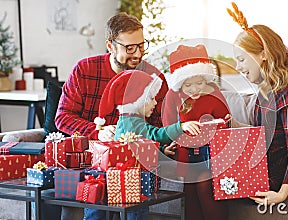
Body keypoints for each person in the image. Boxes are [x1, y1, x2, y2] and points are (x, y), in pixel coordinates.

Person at [54, 12, 169, 220]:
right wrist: (97, 132)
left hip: (134, 165)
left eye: (142, 46)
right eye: (129, 48)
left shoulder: (154, 78)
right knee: (96, 202)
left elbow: (160, 124)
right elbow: (63, 117)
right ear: (110, 46)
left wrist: (164, 144)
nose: (137, 54)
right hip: (93, 160)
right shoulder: (85, 70)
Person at [226, 2, 288, 206]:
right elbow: (263, 136)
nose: (238, 67)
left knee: (205, 180)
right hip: (258, 167)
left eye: (242, 60)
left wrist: (281, 194)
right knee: (200, 170)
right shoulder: (264, 93)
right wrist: (237, 126)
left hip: (272, 179)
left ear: (263, 54)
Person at [92, 69, 202, 220]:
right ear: (136, 100)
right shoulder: (132, 121)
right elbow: (155, 134)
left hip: (128, 176)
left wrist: (162, 150)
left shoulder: (129, 120)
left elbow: (141, 145)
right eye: (151, 98)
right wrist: (180, 127)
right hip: (131, 178)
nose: (155, 103)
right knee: (137, 211)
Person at [162, 44, 230, 220]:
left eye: (199, 83)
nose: (195, 89)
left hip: (212, 155)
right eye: (188, 85)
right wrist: (167, 145)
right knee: (190, 192)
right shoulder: (173, 96)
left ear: (206, 78)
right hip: (186, 156)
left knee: (204, 184)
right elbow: (168, 126)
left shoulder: (214, 93)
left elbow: (225, 124)